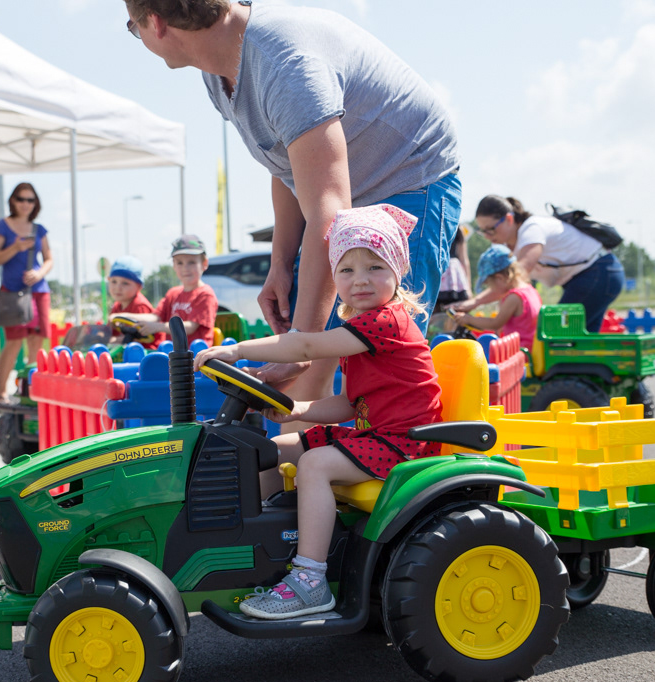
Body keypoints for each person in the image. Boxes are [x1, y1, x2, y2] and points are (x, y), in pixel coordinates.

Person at [126, 0, 461, 410]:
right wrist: (281, 262)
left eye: (133, 28)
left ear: (155, 22)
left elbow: (329, 213)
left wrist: (301, 346)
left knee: (381, 368)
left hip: (407, 178)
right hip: (341, 198)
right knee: (308, 376)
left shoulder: (285, 66)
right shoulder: (218, 70)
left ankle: (395, 448)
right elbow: (287, 164)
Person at [193, 205, 442, 619]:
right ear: (335, 277)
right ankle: (261, 552)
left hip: (406, 444)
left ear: (398, 271)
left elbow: (305, 345)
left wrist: (237, 350)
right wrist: (297, 409)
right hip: (377, 436)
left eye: (375, 266)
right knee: (275, 449)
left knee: (314, 464)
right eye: (346, 269)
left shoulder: (386, 322)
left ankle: (310, 580)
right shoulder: (361, 327)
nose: (360, 279)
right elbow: (351, 403)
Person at [474, 195, 624, 333]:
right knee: (578, 339)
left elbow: (515, 277)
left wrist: (473, 302)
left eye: (491, 229)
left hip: (598, 272)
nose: (487, 236)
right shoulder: (507, 246)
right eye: (482, 231)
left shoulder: (531, 229)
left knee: (555, 332)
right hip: (594, 276)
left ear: (509, 219)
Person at [0, 182, 53, 406]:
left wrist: (39, 273)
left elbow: (49, 259)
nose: (25, 204)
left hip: (38, 291)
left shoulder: (39, 229)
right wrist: (15, 248)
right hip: (12, 292)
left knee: (36, 342)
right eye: (21, 199)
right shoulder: (2, 227)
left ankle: (30, 390)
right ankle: (1, 392)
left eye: (30, 200)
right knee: (14, 342)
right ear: (13, 201)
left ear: (35, 203)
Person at [124, 235, 217, 344]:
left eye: (191, 262)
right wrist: (126, 316)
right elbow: (155, 317)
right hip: (171, 351)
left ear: (204, 264)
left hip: (197, 351)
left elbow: (190, 327)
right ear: (174, 265)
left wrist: (157, 327)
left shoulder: (205, 294)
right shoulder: (173, 293)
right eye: (179, 263)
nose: (185, 268)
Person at [450, 244, 542, 349]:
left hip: (517, 350)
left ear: (500, 278)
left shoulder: (514, 297)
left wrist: (468, 319)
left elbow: (495, 323)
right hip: (530, 348)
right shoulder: (530, 290)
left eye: (490, 284)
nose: (491, 288)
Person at [106, 256, 165, 349]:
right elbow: (110, 331)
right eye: (114, 281)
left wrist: (111, 340)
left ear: (139, 287)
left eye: (125, 283)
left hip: (148, 350)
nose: (118, 287)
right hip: (129, 348)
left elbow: (137, 337)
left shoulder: (140, 306)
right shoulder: (117, 306)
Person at [437, 225, 472, 308]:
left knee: (457, 306)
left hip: (453, 273)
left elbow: (463, 258)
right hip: (440, 268)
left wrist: (468, 286)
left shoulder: (458, 229)